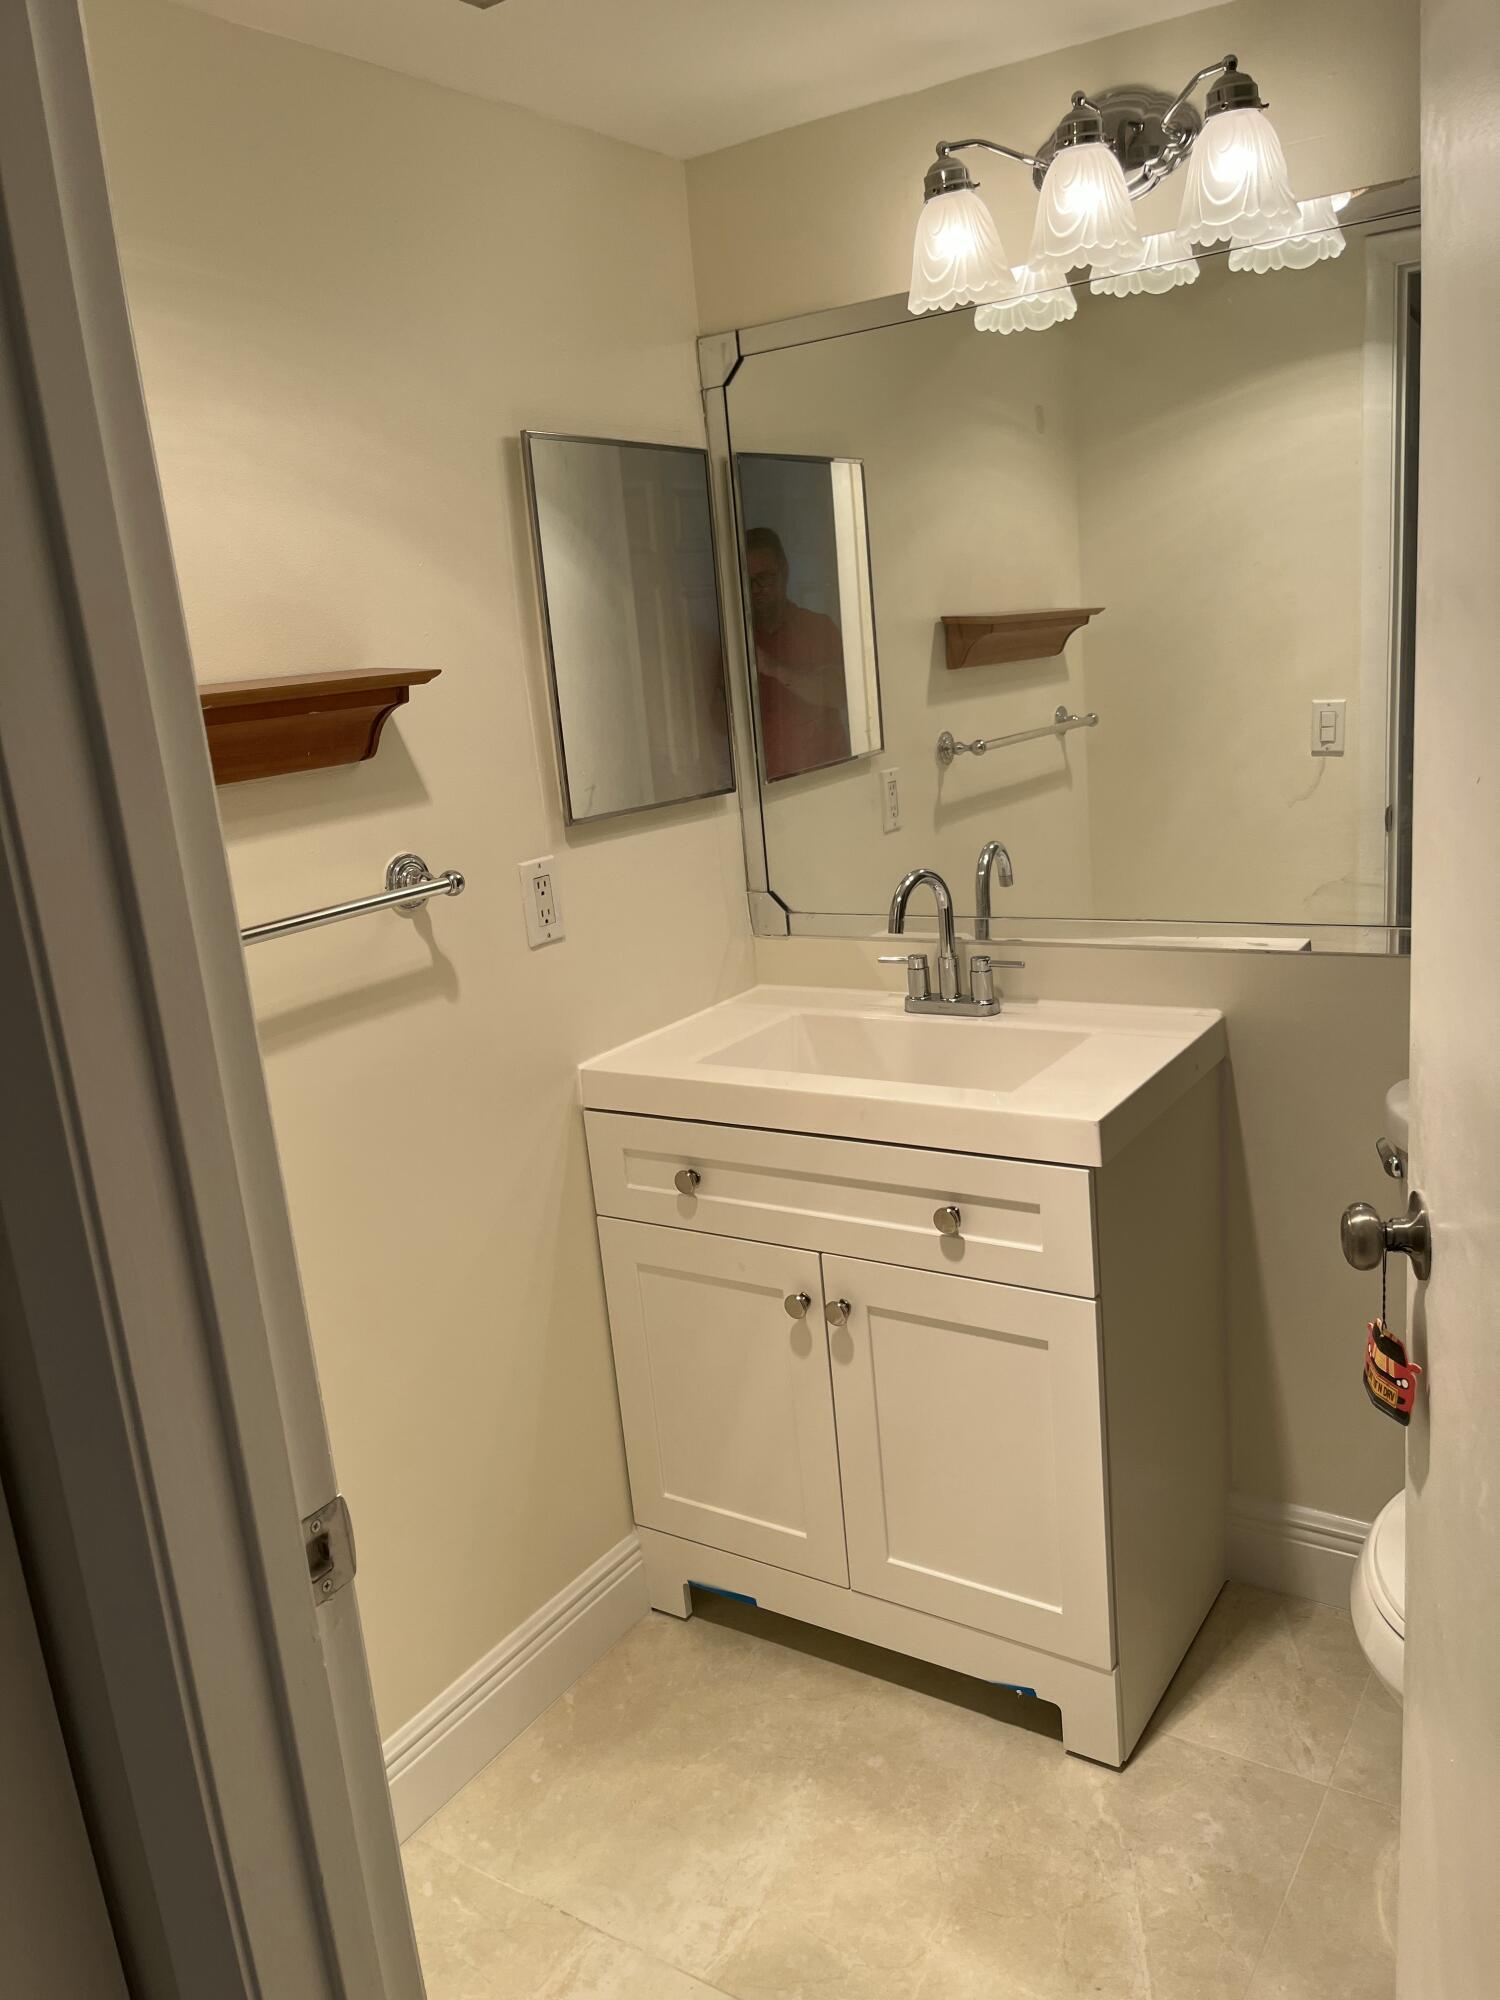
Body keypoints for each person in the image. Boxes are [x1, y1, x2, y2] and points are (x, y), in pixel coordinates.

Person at [744, 526, 851, 780]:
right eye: (748, 580)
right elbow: (717, 721)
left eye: (764, 577)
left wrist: (775, 669)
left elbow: (840, 695)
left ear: (784, 573)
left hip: (827, 777)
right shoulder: (738, 642)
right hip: (767, 788)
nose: (756, 588)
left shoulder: (818, 627)